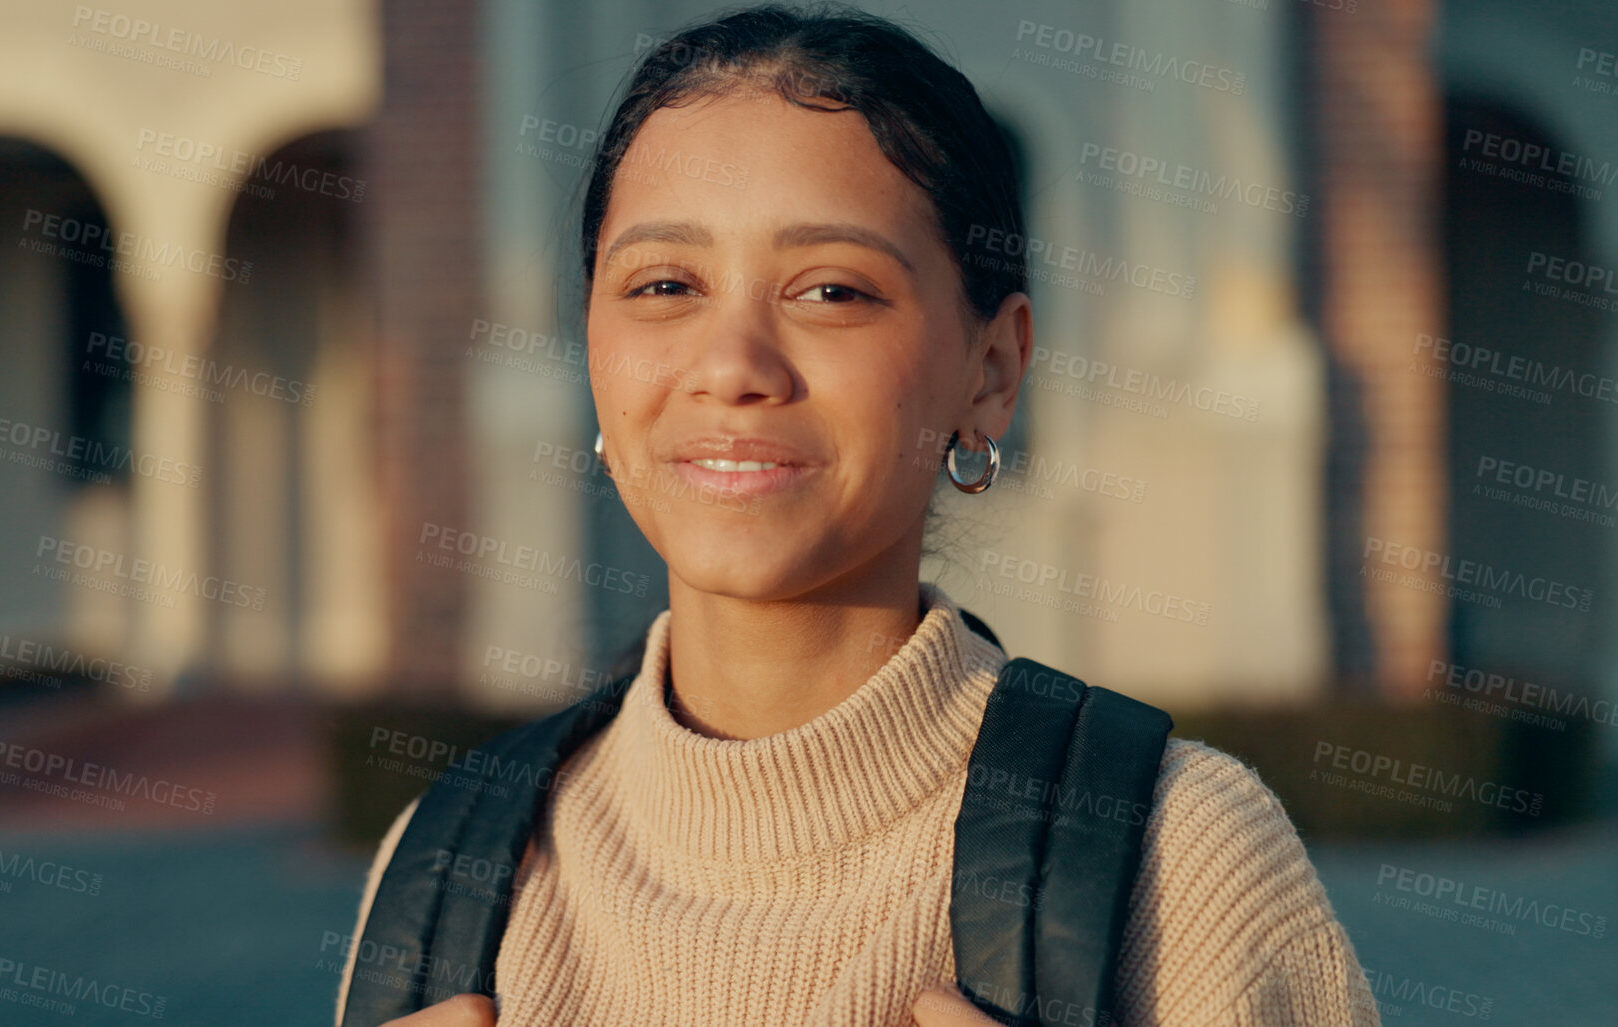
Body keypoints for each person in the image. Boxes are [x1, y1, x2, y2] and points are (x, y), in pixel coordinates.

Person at [337, 5, 1380, 1025]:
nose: (732, 366)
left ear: (992, 368)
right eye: (662, 284)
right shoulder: (448, 875)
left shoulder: (1177, 860)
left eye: (831, 290)